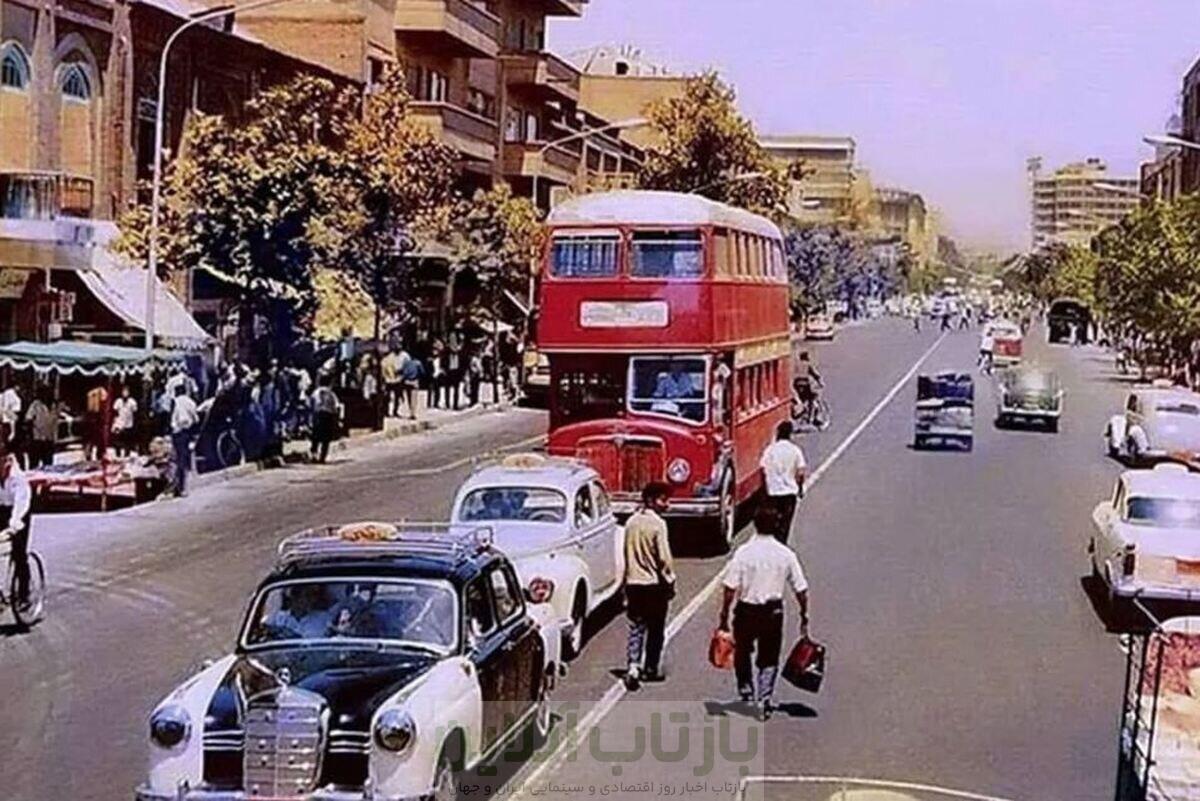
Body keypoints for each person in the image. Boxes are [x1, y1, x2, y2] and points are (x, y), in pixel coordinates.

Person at [717, 503, 810, 721]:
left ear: (755, 525)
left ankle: (746, 691)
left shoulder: (744, 553)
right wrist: (803, 613)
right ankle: (764, 699)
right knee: (769, 656)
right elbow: (801, 589)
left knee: (742, 652)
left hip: (746, 611)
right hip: (772, 613)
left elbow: (730, 587)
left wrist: (724, 614)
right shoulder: (785, 554)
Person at [622, 481, 676, 690]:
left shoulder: (631, 522)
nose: (667, 504)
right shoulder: (658, 525)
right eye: (663, 500)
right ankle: (650, 668)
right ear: (651, 501)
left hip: (633, 583)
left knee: (636, 626)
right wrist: (670, 580)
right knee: (655, 630)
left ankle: (633, 666)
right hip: (653, 585)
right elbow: (664, 559)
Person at [759, 421, 807, 544]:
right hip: (789, 493)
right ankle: (782, 545)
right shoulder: (795, 450)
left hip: (773, 492)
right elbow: (800, 472)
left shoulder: (770, 450)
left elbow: (763, 469)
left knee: (773, 523)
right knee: (785, 525)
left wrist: (764, 489)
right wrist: (800, 487)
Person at [0, 439, 33, 610]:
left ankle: (24, 594)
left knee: (19, 553)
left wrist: (13, 526)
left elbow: (21, 503)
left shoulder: (18, 478)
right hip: (1, 509)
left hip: (19, 513)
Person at [169, 384, 199, 497]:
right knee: (185, 459)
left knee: (178, 460)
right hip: (187, 432)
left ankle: (180, 487)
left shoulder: (175, 402)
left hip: (177, 433)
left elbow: (172, 420)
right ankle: (184, 487)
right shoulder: (191, 402)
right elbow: (196, 419)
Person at [309, 376, 342, 464]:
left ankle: (314, 455)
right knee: (326, 438)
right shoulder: (331, 394)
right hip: (327, 416)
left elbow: (310, 404)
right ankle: (322, 457)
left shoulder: (315, 392)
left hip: (317, 415)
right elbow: (337, 406)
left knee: (315, 436)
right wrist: (337, 418)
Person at [792, 352, 825, 428]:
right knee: (812, 398)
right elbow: (815, 374)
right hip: (805, 383)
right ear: (807, 358)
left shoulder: (796, 365)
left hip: (796, 384)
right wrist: (820, 382)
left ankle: (802, 410)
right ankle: (812, 418)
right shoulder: (808, 365)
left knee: (801, 399)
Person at [26, 392, 57, 468]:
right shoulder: (35, 405)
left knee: (48, 465)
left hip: (49, 439)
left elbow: (54, 422)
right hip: (37, 439)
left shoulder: (54, 406)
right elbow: (28, 418)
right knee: (34, 464)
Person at [111, 385, 138, 457]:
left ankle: (127, 454)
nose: (125, 393)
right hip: (119, 423)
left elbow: (135, 412)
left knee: (127, 441)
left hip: (128, 424)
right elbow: (115, 411)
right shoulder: (118, 401)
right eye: (124, 391)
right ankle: (118, 454)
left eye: (126, 392)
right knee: (117, 440)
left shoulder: (132, 402)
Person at [399, 350, 424, 421]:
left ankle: (410, 410)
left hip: (407, 381)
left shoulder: (406, 363)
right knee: (414, 398)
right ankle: (413, 413)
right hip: (414, 381)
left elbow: (403, 371)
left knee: (409, 397)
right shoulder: (418, 363)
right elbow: (422, 372)